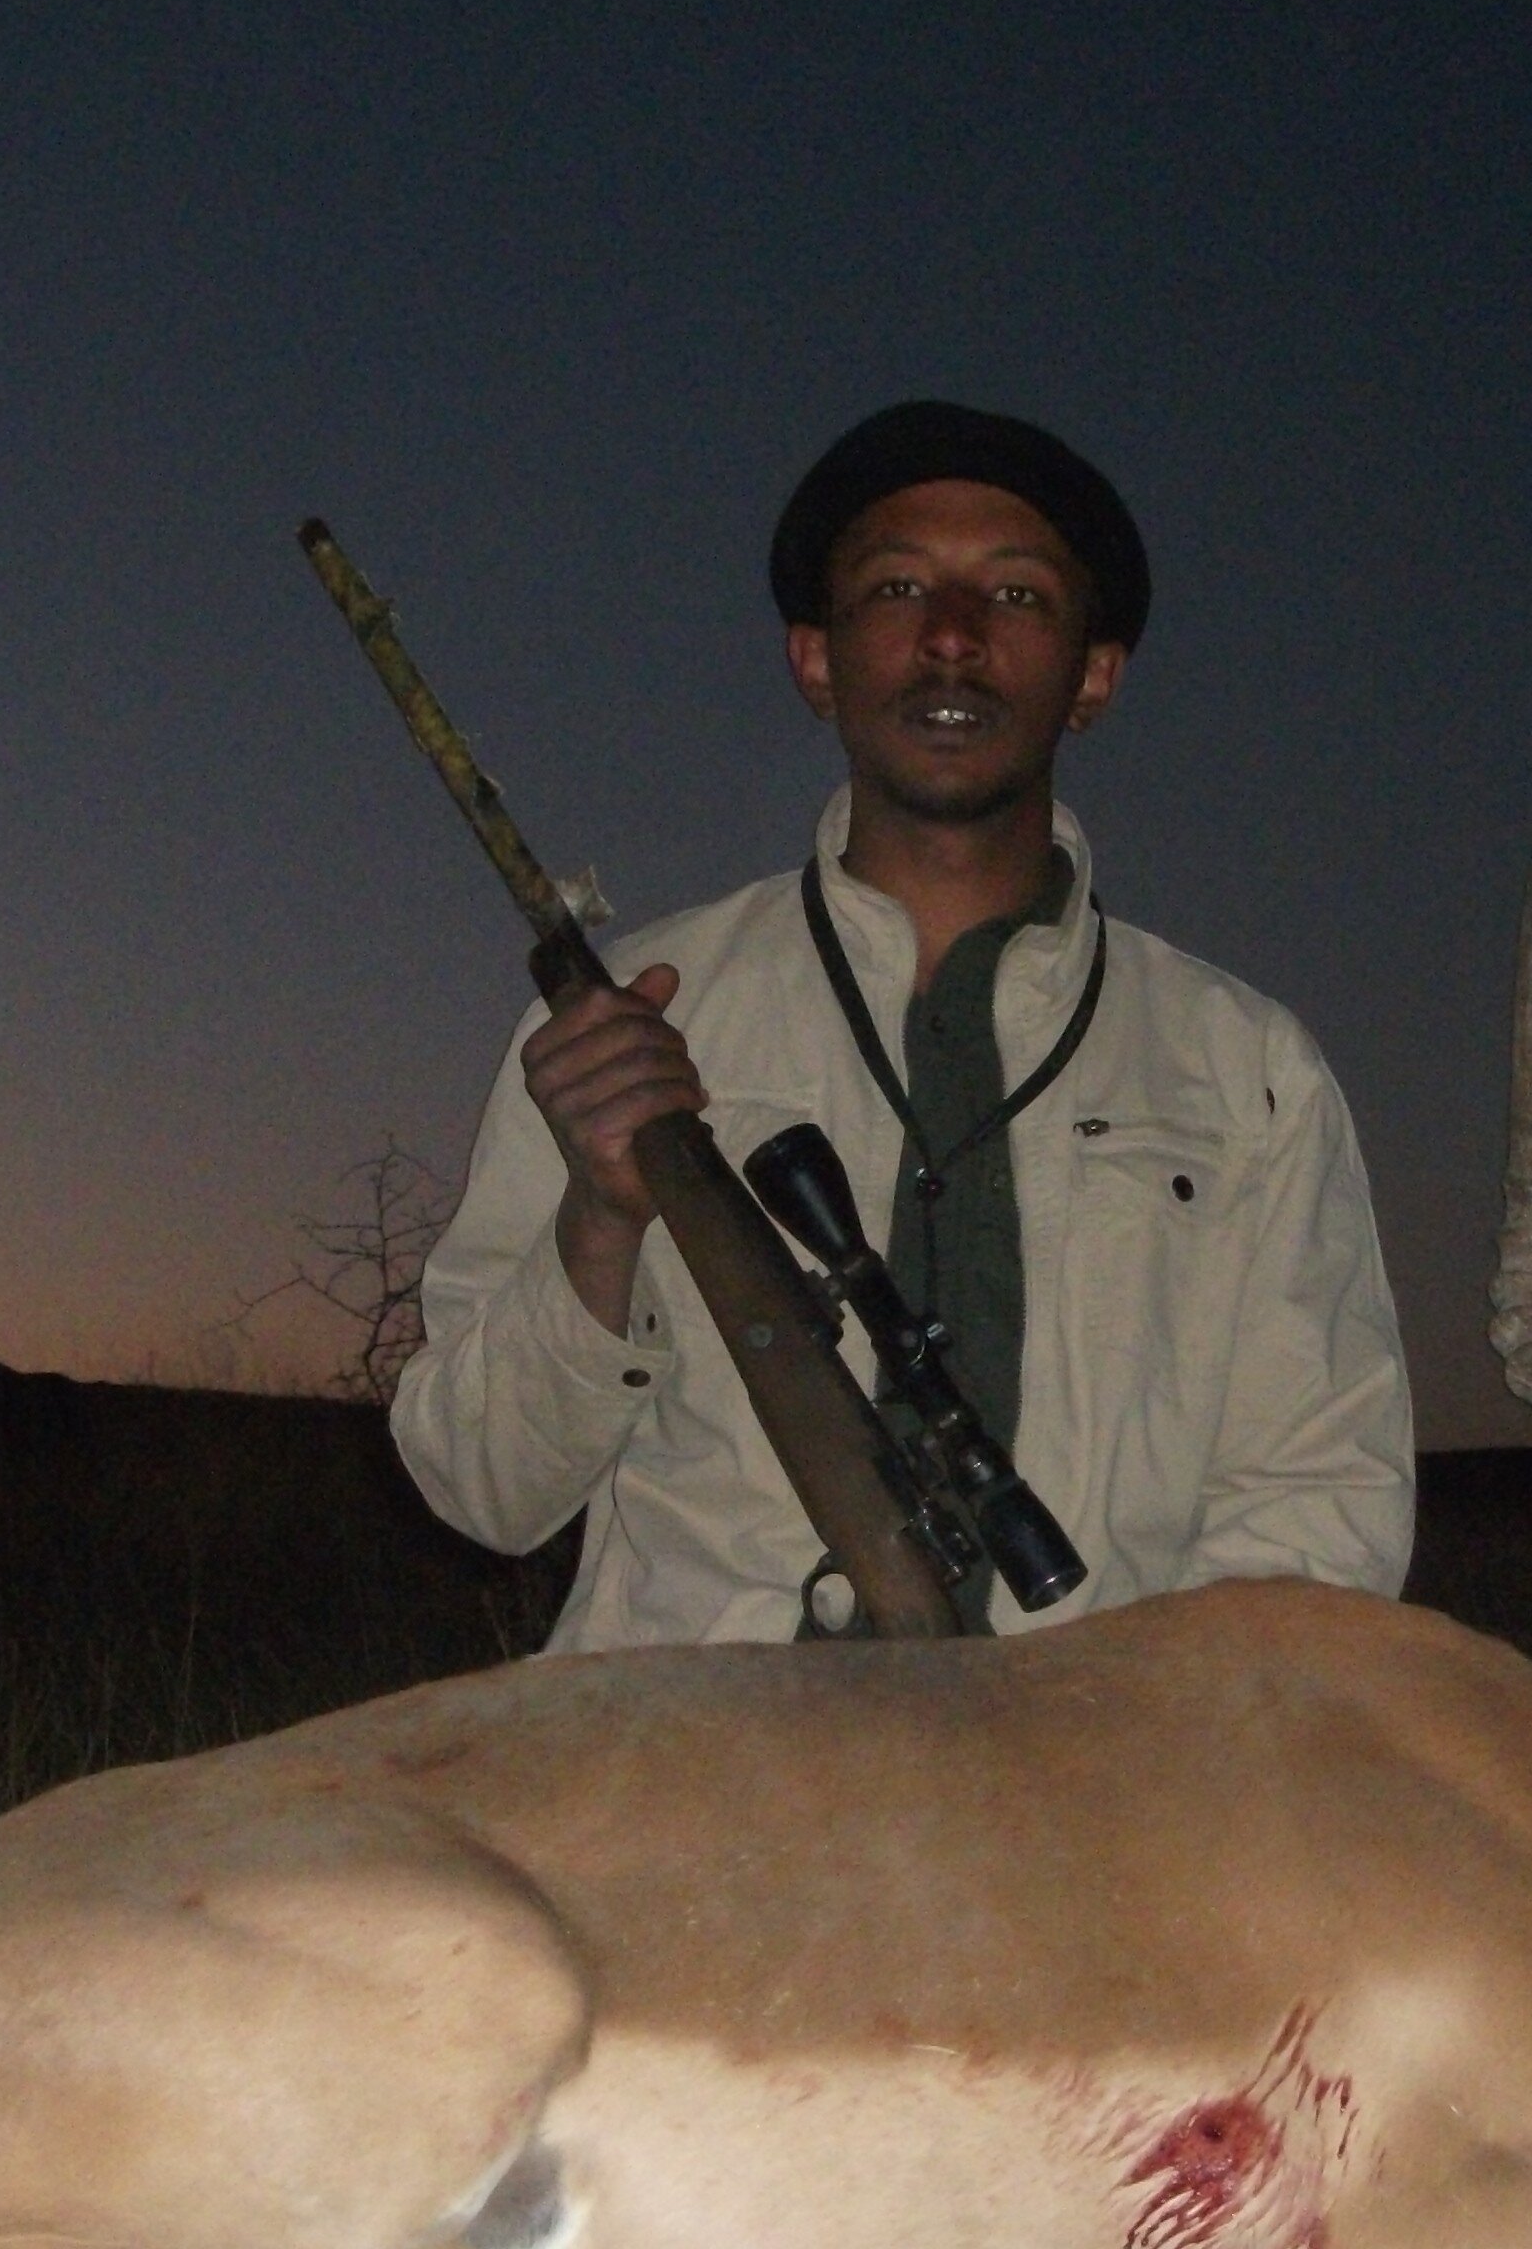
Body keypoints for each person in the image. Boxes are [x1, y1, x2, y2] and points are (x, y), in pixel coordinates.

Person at [392, 400, 1415, 1649]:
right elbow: (480, 1489)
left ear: (1093, 677)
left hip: (1085, 1782)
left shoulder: (1248, 1064)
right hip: (687, 1775)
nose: (950, 638)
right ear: (816, 662)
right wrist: (601, 1221)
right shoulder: (627, 1020)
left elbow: (1320, 1510)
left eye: (1020, 598)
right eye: (893, 590)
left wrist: (1145, 1776)